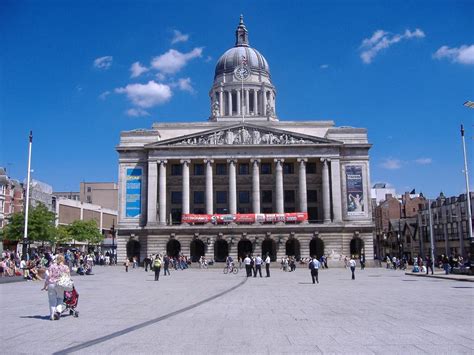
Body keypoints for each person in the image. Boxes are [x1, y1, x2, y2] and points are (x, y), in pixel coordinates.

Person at [42, 254, 70, 320]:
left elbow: (49, 277)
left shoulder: (51, 266)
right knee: (60, 299)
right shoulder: (65, 267)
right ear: (63, 260)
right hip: (60, 285)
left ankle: (52, 315)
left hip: (51, 284)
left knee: (52, 301)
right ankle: (57, 312)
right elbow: (68, 277)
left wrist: (45, 286)